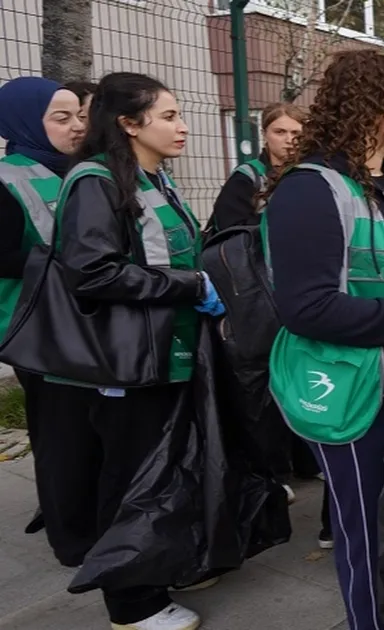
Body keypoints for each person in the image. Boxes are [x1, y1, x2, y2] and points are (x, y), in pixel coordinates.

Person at [263, 49, 384, 630]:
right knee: (369, 526)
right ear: (375, 105)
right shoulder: (311, 189)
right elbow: (308, 308)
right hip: (350, 386)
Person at [45, 71, 221, 630]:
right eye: (168, 116)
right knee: (129, 478)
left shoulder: (154, 179)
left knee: (164, 471)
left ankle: (164, 566)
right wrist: (189, 286)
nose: (182, 127)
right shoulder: (95, 182)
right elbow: (92, 272)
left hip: (170, 354)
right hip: (126, 363)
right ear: (128, 123)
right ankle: (132, 602)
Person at [0, 77, 85, 551]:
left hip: (76, 319)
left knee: (82, 426)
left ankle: (79, 512)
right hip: (35, 325)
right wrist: (67, 262)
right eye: (61, 117)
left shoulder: (74, 170)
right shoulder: (7, 179)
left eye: (79, 116)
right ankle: (70, 534)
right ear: (27, 122)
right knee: (60, 431)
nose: (76, 126)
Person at [208, 102, 305, 233]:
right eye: (280, 132)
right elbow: (229, 228)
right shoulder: (246, 177)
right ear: (264, 134)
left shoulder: (311, 172)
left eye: (296, 133)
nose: (289, 139)